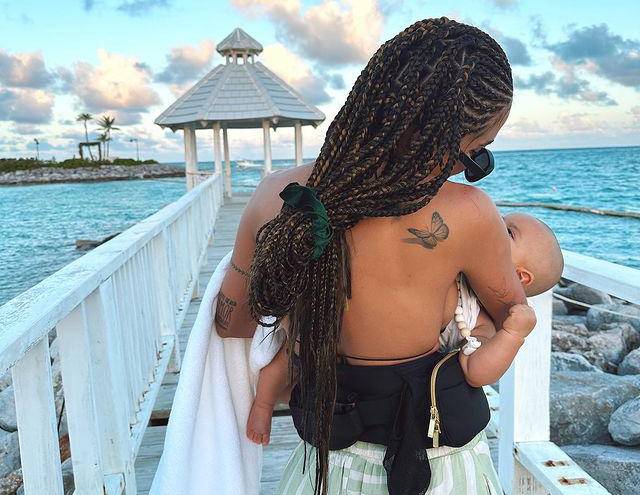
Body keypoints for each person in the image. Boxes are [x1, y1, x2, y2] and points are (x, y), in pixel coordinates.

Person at [216, 17, 530, 495]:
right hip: (442, 462)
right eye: (475, 156)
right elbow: (512, 315)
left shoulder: (274, 196)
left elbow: (233, 322)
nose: (465, 174)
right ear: (441, 142)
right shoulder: (469, 213)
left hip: (328, 463)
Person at [244, 212, 564, 446]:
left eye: (506, 232)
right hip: (354, 317)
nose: (491, 227)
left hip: (397, 381)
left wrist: (512, 335)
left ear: (519, 277)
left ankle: (268, 400)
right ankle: (264, 403)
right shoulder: (456, 262)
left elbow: (477, 372)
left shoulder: (479, 316)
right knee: (296, 347)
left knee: (306, 350)